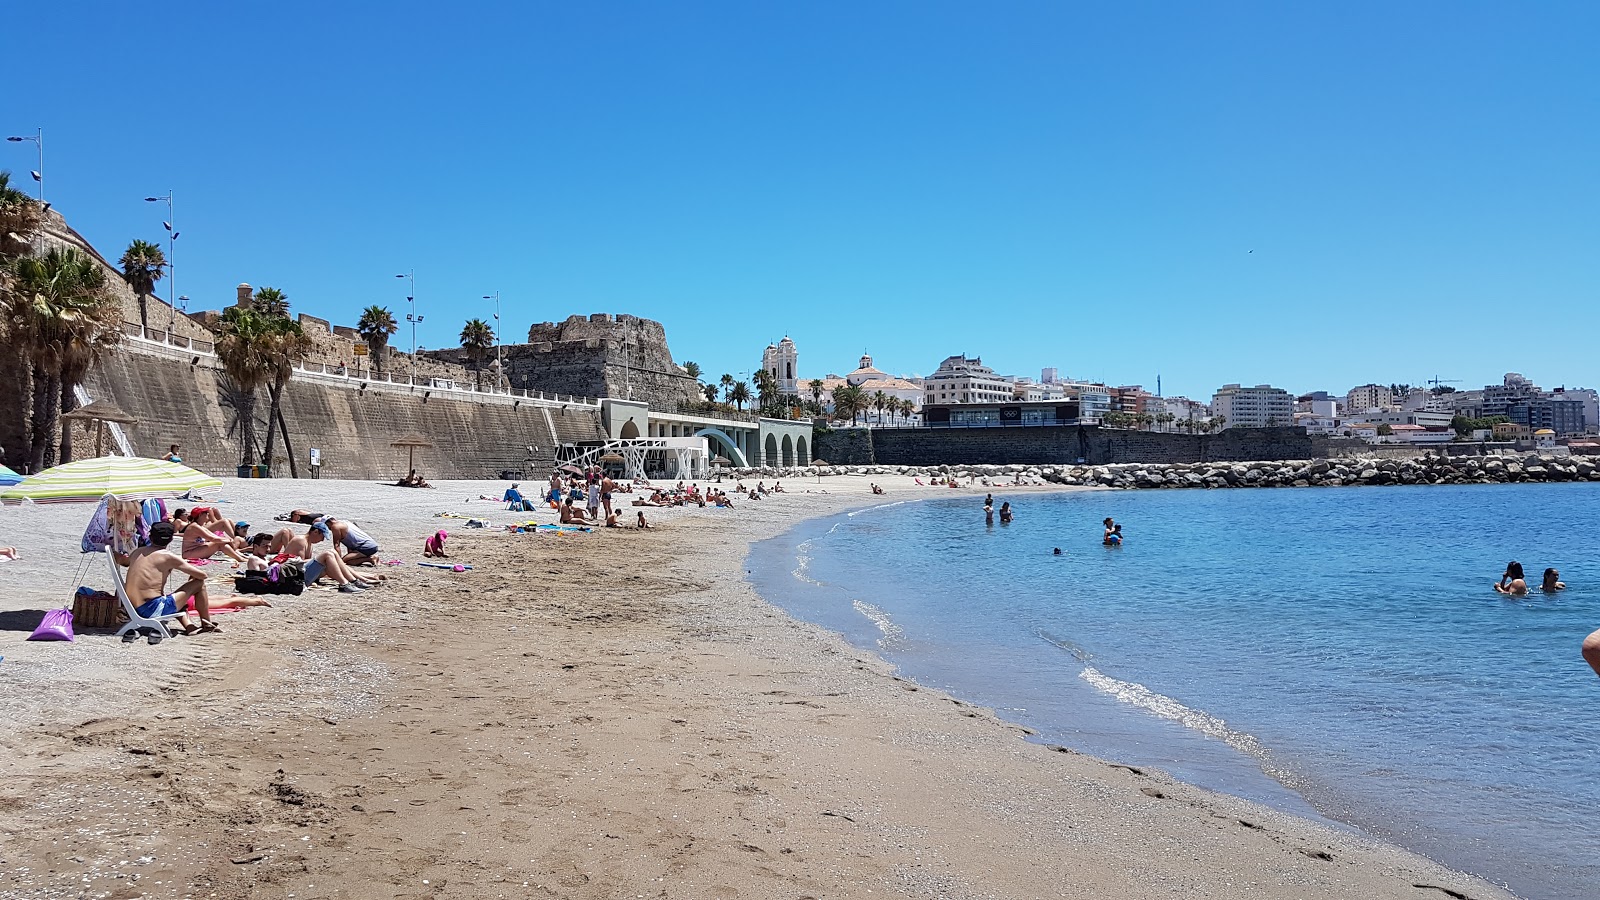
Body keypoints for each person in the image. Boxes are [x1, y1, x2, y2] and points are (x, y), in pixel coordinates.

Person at [124, 522, 216, 636]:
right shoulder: (167, 556)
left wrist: (114, 554)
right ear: (171, 539)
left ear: (151, 537)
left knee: (173, 596)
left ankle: (189, 626)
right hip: (152, 610)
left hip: (132, 608)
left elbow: (124, 562)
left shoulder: (138, 552)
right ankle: (206, 624)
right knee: (199, 583)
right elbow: (202, 575)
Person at [292, 524, 378, 592]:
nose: (322, 540)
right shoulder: (300, 540)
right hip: (296, 577)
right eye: (322, 536)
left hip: (303, 573)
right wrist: (319, 559)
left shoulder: (308, 542)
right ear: (315, 532)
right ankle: (345, 584)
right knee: (327, 554)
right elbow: (297, 564)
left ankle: (358, 580)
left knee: (333, 553)